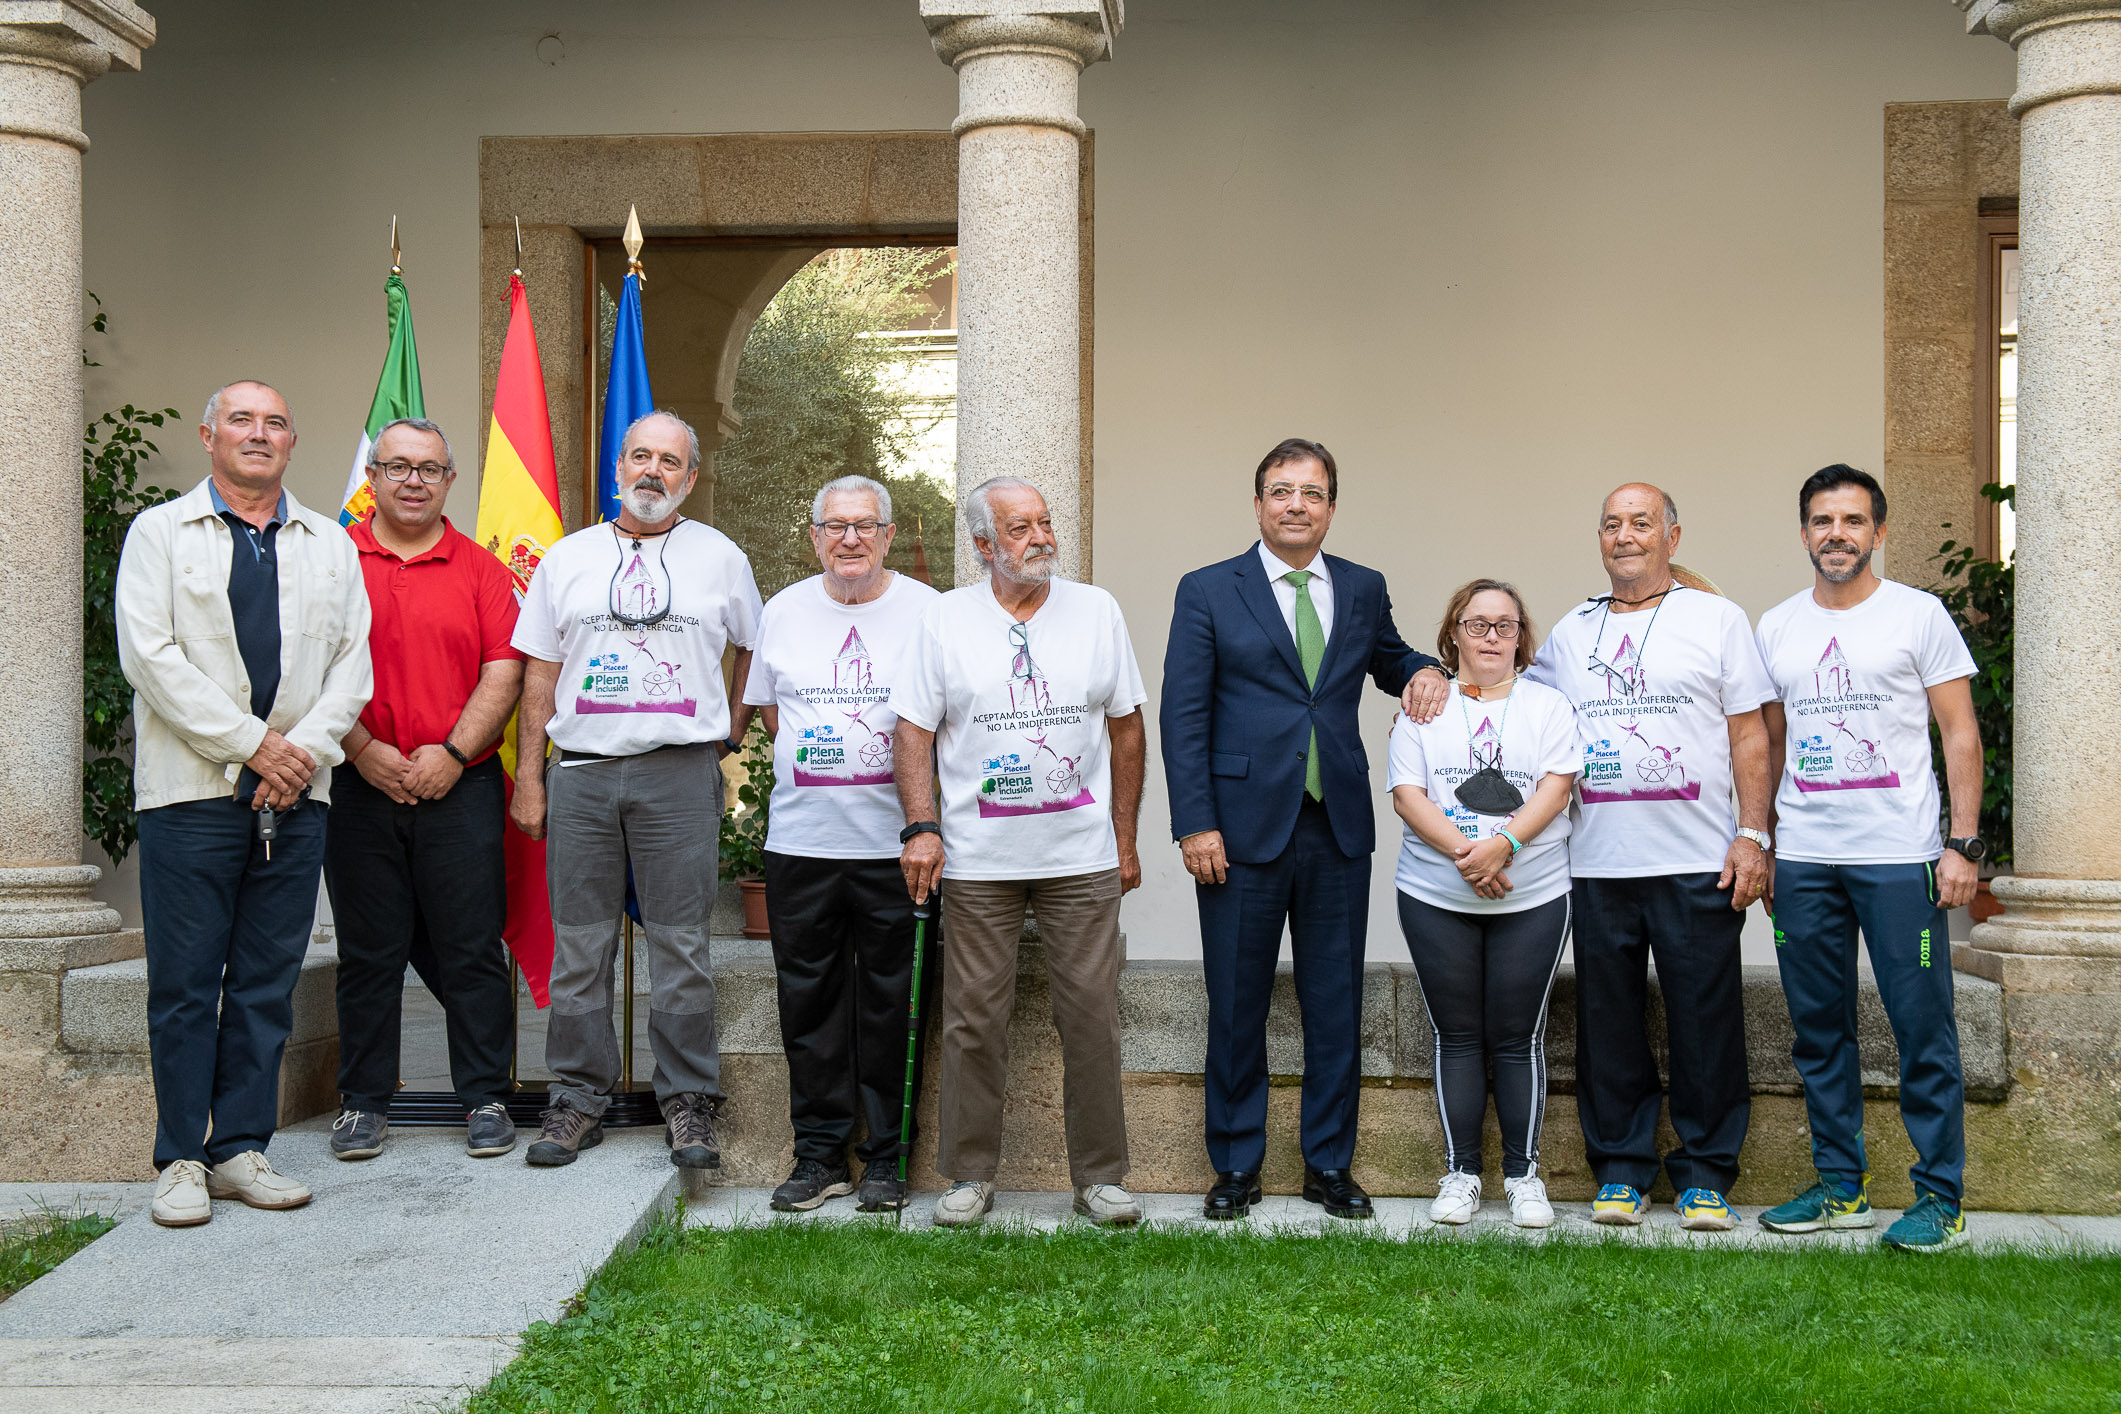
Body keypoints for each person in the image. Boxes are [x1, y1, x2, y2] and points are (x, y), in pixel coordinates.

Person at [1159, 438, 1450, 1222]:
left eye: (1312, 493)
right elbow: (1183, 714)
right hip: (1238, 831)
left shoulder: (1360, 587)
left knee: (1334, 1005)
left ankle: (1329, 1166)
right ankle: (1235, 1168)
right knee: (1235, 1006)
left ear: (1329, 507)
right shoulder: (1208, 589)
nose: (1296, 505)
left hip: (1335, 829)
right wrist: (1195, 823)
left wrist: (1426, 669)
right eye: (1281, 491)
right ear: (1256, 504)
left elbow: (1389, 658)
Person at [116, 380, 372, 1228]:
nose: (258, 435)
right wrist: (252, 745)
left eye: (274, 423)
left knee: (265, 983)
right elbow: (151, 658)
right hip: (192, 794)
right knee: (187, 986)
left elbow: (352, 668)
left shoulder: (330, 544)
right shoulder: (160, 534)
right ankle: (182, 1157)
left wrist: (295, 760)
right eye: (241, 421)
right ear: (208, 435)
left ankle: (239, 1152)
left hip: (296, 797)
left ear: (292, 441)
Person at [510, 410, 763, 1169]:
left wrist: (732, 731)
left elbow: (755, 646)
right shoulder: (567, 558)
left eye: (670, 462)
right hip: (581, 773)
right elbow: (541, 670)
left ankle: (688, 1102)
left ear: (690, 478)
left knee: (681, 945)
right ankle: (576, 1099)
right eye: (640, 457)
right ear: (617, 468)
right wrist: (529, 774)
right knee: (579, 949)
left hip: (679, 774)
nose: (653, 471)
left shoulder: (721, 557)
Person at [892, 477, 1148, 1228]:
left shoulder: (1096, 610)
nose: (1039, 538)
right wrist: (922, 827)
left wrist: (1123, 837)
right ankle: (969, 1176)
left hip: (1080, 858)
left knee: (1092, 1017)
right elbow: (912, 731)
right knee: (972, 1019)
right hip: (977, 860)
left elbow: (1126, 726)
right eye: (1018, 528)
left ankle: (1100, 1178)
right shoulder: (944, 620)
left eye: (1043, 523)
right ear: (982, 546)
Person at [1525, 483, 1774, 1231]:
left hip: (1699, 857)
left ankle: (1704, 1175)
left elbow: (1750, 735)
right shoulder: (1571, 631)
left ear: (1671, 535)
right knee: (1607, 1024)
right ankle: (1621, 1171)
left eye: (1640, 522)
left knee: (1706, 1019)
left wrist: (1752, 835)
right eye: (1610, 524)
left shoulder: (1717, 619)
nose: (1623, 535)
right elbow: (1523, 718)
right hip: (1597, 861)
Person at [1754, 465, 1982, 1252]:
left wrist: (1962, 844)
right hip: (1806, 860)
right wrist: (1767, 846)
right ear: (1804, 534)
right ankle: (1841, 1189)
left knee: (1921, 1027)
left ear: (1877, 532)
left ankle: (1939, 1196)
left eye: (1852, 521)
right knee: (1818, 1030)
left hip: (1899, 857)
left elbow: (1958, 733)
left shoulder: (1916, 616)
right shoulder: (1776, 626)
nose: (1836, 535)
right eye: (1822, 521)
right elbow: (1771, 744)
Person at [324, 418, 526, 1163]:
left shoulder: (480, 570)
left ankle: (484, 1097)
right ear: (371, 477)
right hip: (356, 781)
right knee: (369, 950)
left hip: (461, 785)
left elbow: (503, 670)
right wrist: (363, 749)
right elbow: (307, 669)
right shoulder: (332, 559)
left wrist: (450, 752)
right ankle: (364, 1104)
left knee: (470, 947)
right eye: (398, 466)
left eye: (430, 469)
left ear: (449, 482)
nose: (414, 480)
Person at [742, 475, 940, 1213]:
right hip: (802, 844)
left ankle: (886, 1159)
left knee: (897, 1004)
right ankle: (817, 1154)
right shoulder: (783, 610)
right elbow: (770, 715)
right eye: (835, 526)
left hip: (900, 849)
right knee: (809, 1002)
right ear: (814, 537)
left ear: (888, 535)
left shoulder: (929, 612)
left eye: (865, 525)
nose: (850, 539)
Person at [1388, 581, 1579, 1229]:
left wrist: (1500, 845)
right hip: (1436, 895)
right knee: (1458, 1035)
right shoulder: (1422, 708)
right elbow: (1408, 797)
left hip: (1533, 894)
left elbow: (1556, 787)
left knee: (1517, 1036)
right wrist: (1469, 858)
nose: (1491, 637)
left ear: (1522, 636)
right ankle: (1461, 1172)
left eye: (1505, 625)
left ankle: (1523, 1175)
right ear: (1452, 634)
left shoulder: (1548, 706)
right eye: (1476, 625)